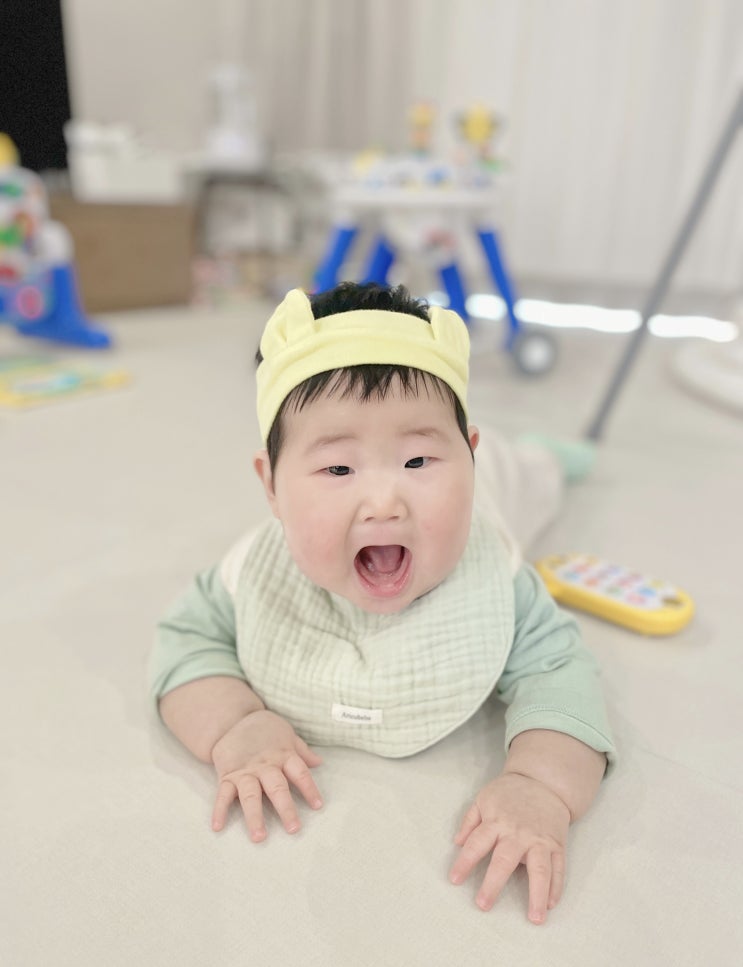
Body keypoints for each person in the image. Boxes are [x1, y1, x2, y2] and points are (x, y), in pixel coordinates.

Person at [149, 282, 615, 926]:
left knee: (530, 475)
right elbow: (185, 638)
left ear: (467, 457)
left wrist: (540, 785)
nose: (385, 502)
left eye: (418, 460)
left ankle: (543, 457)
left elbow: (560, 671)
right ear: (271, 485)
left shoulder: (497, 575)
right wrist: (234, 725)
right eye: (339, 470)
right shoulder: (251, 572)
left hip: (502, 483)